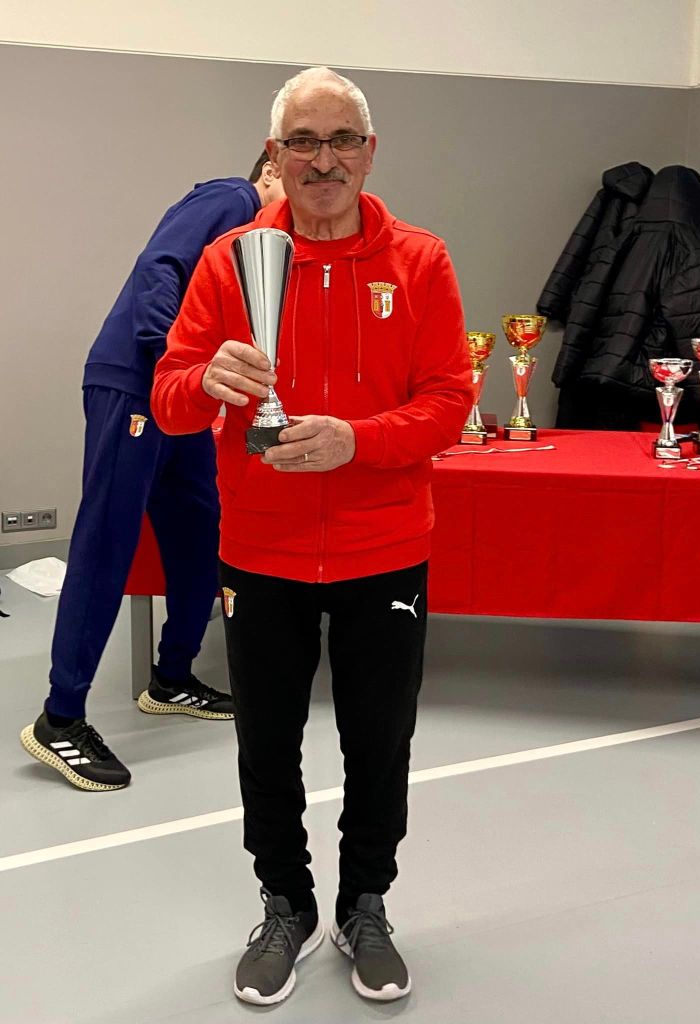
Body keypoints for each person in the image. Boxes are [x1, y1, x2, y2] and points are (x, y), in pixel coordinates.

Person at [151, 66, 473, 1005]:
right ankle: (285, 904)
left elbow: (449, 402)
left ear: (369, 153)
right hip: (261, 550)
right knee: (266, 742)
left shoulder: (420, 261)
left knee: (380, 739)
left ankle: (365, 903)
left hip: (385, 548)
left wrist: (355, 441)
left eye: (340, 141)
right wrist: (205, 379)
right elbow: (170, 400)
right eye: (303, 142)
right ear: (276, 154)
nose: (322, 160)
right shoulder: (229, 262)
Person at [20, 153, 285, 793]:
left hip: (184, 401)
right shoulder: (232, 198)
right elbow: (158, 267)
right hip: (138, 385)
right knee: (107, 542)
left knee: (200, 534)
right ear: (270, 167)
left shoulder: (264, 239)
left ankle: (172, 678)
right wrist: (173, 361)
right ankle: (60, 718)